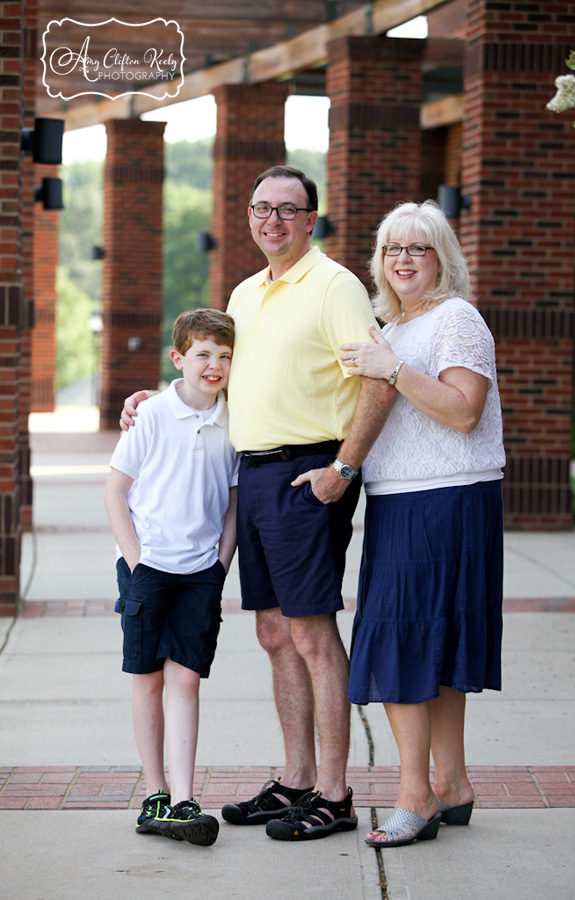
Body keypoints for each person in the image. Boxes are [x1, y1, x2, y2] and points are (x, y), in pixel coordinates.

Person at [120, 165, 395, 842]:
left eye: (288, 210)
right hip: (255, 477)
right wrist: (157, 398)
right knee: (273, 633)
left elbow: (380, 381)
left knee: (309, 633)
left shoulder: (334, 286)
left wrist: (342, 468)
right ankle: (297, 780)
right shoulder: (245, 293)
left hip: (309, 473)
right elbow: (217, 373)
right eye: (261, 209)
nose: (272, 220)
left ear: (312, 219)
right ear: (249, 217)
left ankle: (334, 793)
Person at [339, 199, 505, 848]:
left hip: (446, 500)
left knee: (399, 642)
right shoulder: (392, 326)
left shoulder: (456, 319)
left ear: (444, 259)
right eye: (392, 249)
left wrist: (394, 371)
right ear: (380, 262)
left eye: (418, 248)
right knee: (429, 645)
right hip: (402, 498)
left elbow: (465, 412)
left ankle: (416, 797)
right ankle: (453, 784)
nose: (403, 260)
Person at [105, 308, 239, 846]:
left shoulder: (234, 419)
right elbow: (116, 492)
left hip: (201, 571)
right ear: (179, 358)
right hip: (148, 568)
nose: (215, 365)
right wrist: (136, 563)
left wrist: (220, 564)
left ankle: (185, 798)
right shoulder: (152, 414)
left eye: (225, 356)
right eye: (204, 354)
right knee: (149, 678)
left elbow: (232, 503)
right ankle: (155, 794)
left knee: (186, 680)